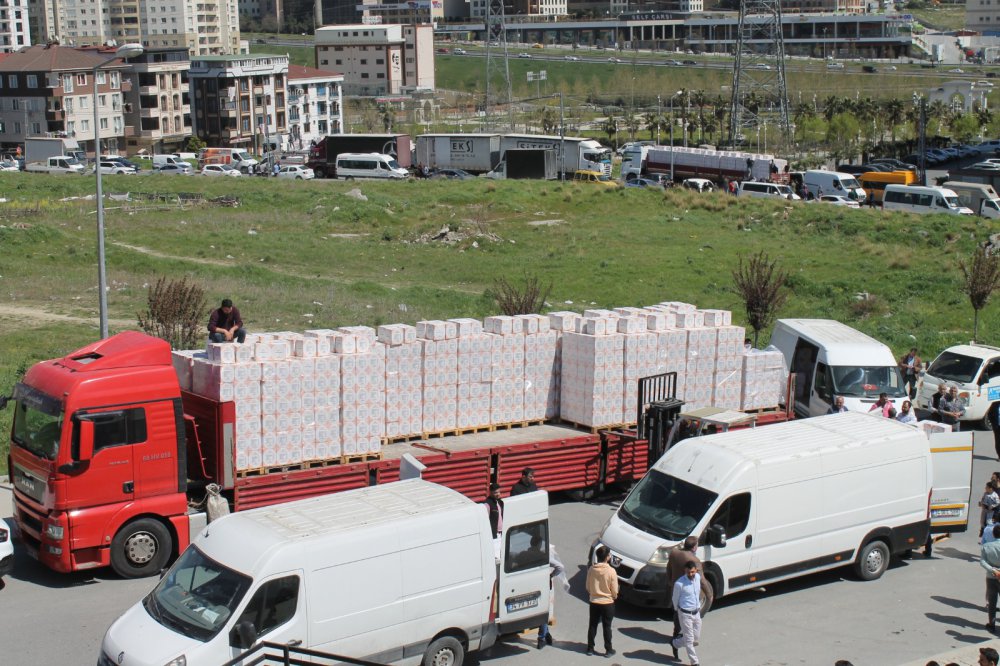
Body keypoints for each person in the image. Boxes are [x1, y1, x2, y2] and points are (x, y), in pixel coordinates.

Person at [585, 545, 618, 657]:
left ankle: (590, 648)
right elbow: (614, 590)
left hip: (594, 602)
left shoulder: (591, 569)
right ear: (607, 557)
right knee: (607, 626)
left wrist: (594, 593)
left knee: (592, 625)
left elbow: (588, 586)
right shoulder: (611, 571)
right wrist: (614, 596)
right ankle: (608, 650)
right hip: (607, 603)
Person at [667, 536, 702, 642]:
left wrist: (670, 580)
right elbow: (702, 580)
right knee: (685, 616)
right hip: (684, 592)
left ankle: (677, 635)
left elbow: (668, 568)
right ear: (694, 547)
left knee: (678, 615)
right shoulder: (694, 560)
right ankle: (678, 640)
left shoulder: (674, 553)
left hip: (676, 589)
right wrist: (709, 595)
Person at [536, 541, 569, 649]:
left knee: (541, 610)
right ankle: (542, 637)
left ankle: (546, 634)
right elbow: (560, 567)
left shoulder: (526, 554)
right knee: (544, 611)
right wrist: (551, 575)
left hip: (532, 585)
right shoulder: (544, 556)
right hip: (543, 585)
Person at [671, 561, 702, 665]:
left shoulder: (698, 577)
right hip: (685, 614)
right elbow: (675, 599)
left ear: (696, 570)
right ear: (685, 571)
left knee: (695, 638)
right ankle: (695, 662)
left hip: (696, 612)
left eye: (692, 572)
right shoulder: (679, 584)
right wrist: (678, 611)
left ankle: (675, 643)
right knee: (689, 640)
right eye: (688, 572)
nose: (691, 574)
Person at [982, 524, 1000, 633]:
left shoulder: (987, 546)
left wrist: (993, 570)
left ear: (993, 534)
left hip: (991, 576)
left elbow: (982, 562)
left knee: (992, 601)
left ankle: (991, 624)